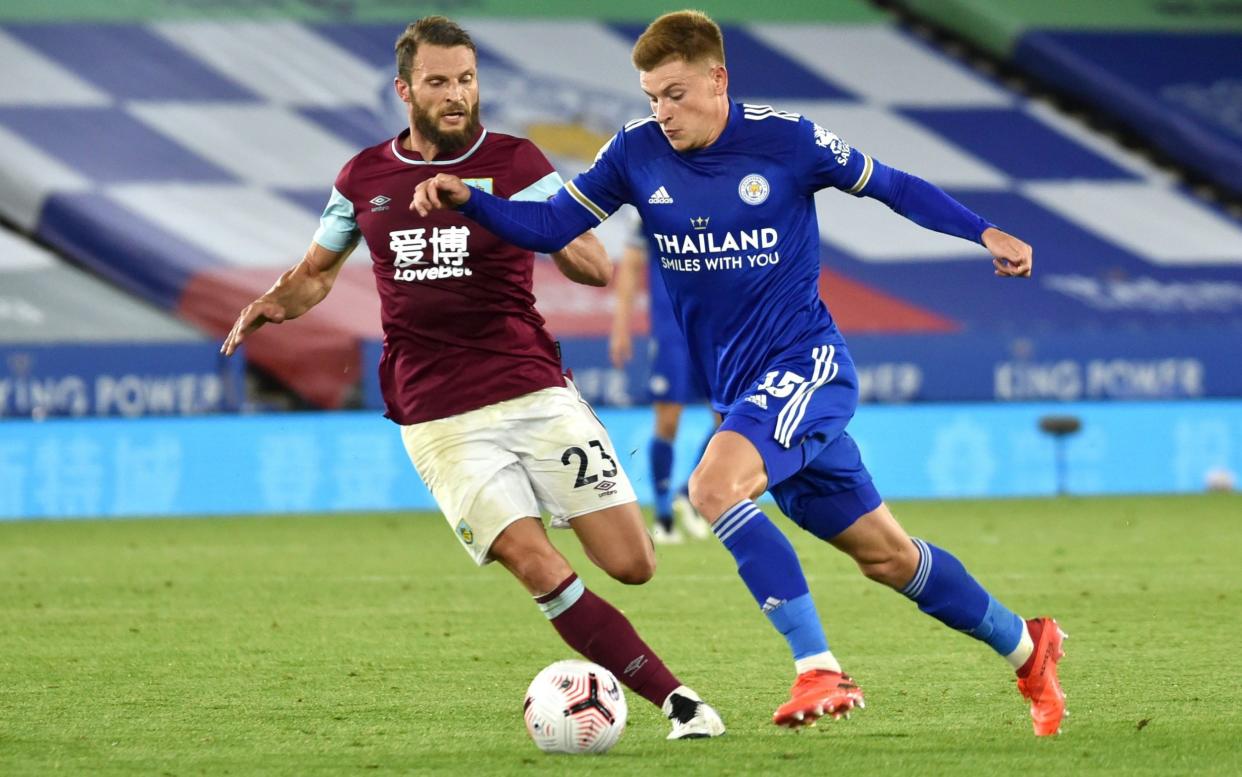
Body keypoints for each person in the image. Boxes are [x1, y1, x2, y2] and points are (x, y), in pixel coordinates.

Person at [410, 10, 1066, 736]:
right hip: (742, 391)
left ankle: (818, 667)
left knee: (713, 485)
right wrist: (471, 199)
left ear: (718, 79)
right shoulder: (635, 151)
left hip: (805, 365)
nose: (662, 112)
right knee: (888, 557)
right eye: (651, 96)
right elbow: (551, 226)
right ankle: (1031, 648)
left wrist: (983, 231)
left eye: (676, 93)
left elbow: (893, 186)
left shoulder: (788, 139)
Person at [220, 16, 724, 741]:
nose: (456, 95)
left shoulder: (517, 161)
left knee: (633, 562)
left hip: (534, 389)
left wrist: (510, 212)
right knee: (532, 561)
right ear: (405, 90)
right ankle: (680, 702)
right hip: (437, 415)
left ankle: (569, 515)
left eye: (466, 79)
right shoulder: (363, 179)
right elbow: (315, 274)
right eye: (438, 83)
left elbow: (590, 260)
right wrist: (275, 302)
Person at [609, 228, 714, 544]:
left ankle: (688, 492)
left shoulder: (722, 193)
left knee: (729, 419)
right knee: (668, 421)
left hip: (717, 331)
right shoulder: (650, 198)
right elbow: (631, 263)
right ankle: (664, 513)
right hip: (672, 333)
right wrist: (621, 328)